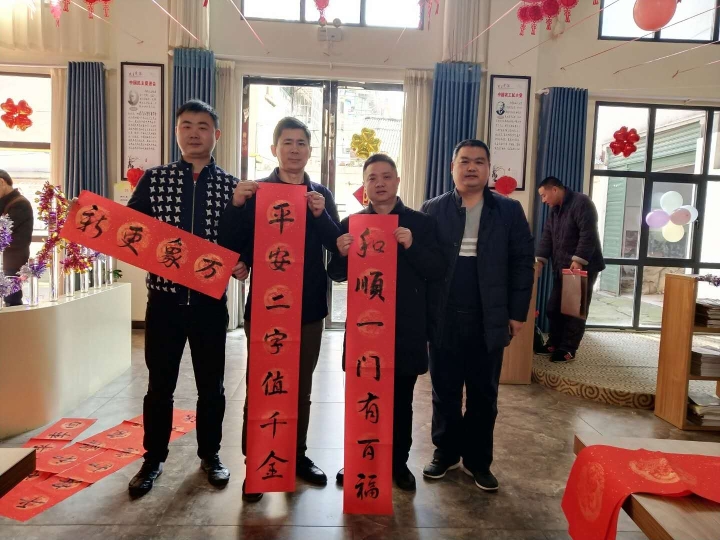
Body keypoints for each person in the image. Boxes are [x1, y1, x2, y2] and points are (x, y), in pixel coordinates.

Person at [219, 117, 342, 502]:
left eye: (301, 143)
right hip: (267, 308)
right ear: (274, 149)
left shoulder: (319, 194)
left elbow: (338, 246)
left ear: (309, 151)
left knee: (301, 387)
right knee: (262, 385)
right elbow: (233, 243)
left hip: (308, 309)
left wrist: (322, 215)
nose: (294, 149)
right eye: (287, 142)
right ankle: (255, 462)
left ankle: (296, 455)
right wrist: (236, 206)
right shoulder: (257, 192)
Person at [126, 100, 237, 496]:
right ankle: (153, 458)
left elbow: (240, 239)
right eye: (186, 125)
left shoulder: (231, 187)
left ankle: (211, 455)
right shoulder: (154, 180)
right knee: (160, 386)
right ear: (176, 133)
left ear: (216, 135)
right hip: (164, 304)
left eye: (203, 126)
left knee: (212, 387)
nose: (194, 133)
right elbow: (131, 230)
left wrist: (241, 261)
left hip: (210, 304)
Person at [420, 139, 535, 492]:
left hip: (489, 316)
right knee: (444, 391)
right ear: (452, 168)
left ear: (488, 169)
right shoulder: (433, 209)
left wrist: (517, 313)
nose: (471, 167)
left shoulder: (509, 211)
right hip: (444, 316)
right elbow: (422, 265)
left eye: (479, 162)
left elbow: (522, 263)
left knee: (484, 394)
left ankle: (478, 460)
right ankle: (445, 453)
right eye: (465, 161)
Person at [327, 154, 445, 492]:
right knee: (363, 398)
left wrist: (412, 246)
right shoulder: (351, 223)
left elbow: (436, 270)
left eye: (386, 176)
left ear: (397, 181)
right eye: (372, 178)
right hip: (365, 331)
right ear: (365, 185)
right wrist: (341, 253)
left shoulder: (421, 223)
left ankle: (397, 463)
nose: (379, 183)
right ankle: (359, 460)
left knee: (400, 402)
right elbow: (335, 274)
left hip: (405, 328)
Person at [535, 176, 605, 363]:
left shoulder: (582, 203)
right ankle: (555, 342)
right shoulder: (555, 210)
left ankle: (568, 348)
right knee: (553, 308)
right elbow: (547, 237)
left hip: (581, 267)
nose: (543, 200)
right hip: (562, 267)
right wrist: (540, 261)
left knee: (574, 311)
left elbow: (588, 234)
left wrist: (579, 260)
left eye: (544, 195)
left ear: (554, 190)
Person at [0, 170, 33, 307]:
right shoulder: (7, 202)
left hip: (13, 260)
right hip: (8, 259)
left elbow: (4, 231)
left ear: (1, 182)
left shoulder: (20, 204)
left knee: (12, 300)